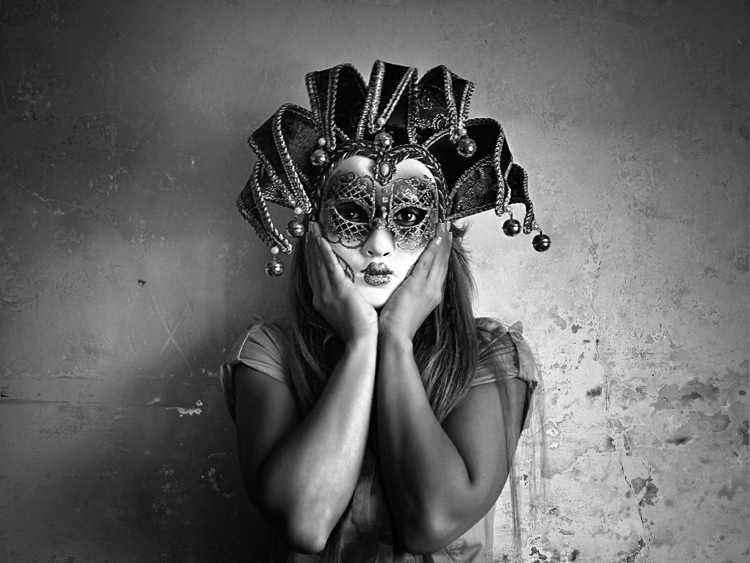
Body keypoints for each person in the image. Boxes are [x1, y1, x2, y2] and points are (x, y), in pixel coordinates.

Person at [221, 61, 549, 563]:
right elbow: (304, 523)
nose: (378, 243)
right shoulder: (270, 353)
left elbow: (431, 523)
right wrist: (361, 342)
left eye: (409, 216)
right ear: (312, 228)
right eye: (352, 213)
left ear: (443, 234)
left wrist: (395, 339)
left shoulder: (491, 356)